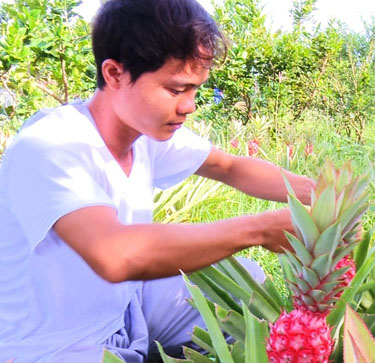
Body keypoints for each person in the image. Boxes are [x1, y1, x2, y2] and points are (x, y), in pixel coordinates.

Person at [0, 0, 314, 361]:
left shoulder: (144, 134)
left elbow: (228, 167)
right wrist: (258, 230)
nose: (189, 106)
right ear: (115, 74)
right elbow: (115, 255)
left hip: (122, 311)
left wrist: (320, 193)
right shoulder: (51, 145)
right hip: (54, 345)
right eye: (176, 90)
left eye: (195, 89)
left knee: (245, 282)